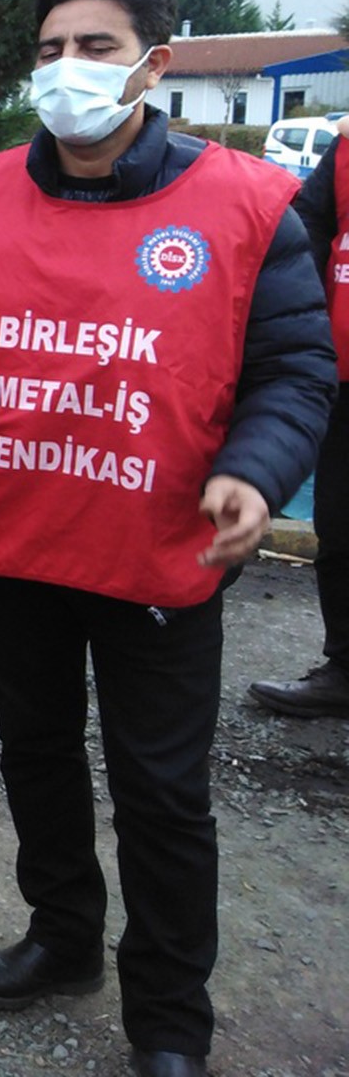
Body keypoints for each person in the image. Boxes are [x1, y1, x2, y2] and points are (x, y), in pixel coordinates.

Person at [0, 0, 334, 1077]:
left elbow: (296, 367)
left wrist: (254, 473)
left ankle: (169, 1015)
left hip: (159, 549)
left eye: (97, 48)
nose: (68, 69)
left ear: (155, 65)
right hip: (15, 536)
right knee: (38, 752)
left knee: (163, 791)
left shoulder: (249, 205)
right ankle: (61, 937)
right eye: (52, 47)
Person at [249, 112, 349, 718]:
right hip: (343, 374)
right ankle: (345, 668)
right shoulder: (345, 149)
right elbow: (307, 227)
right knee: (339, 529)